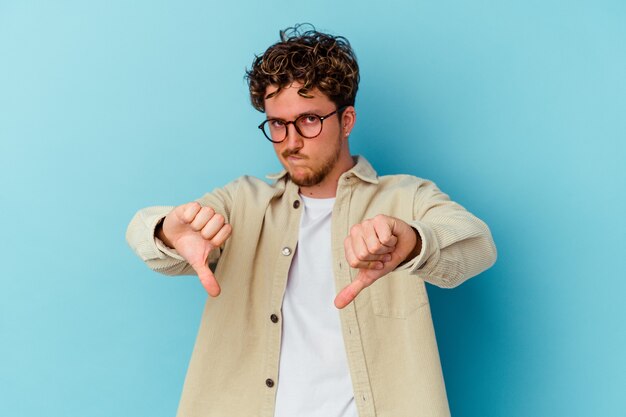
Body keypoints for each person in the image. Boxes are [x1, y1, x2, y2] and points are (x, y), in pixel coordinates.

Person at [126, 24, 497, 417]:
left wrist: (412, 242)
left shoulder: (404, 197)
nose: (290, 142)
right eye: (277, 124)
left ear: (347, 119)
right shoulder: (241, 201)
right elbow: (144, 230)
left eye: (308, 120)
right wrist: (167, 231)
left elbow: (477, 245)